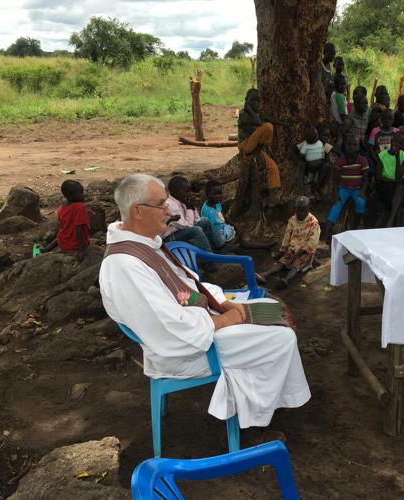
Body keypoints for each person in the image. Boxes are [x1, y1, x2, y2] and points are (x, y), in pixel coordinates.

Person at [99, 174, 310, 433]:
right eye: (161, 204)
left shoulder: (143, 244)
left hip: (196, 325)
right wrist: (224, 320)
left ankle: (261, 405)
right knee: (280, 337)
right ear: (137, 211)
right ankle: (254, 421)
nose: (167, 209)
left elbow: (185, 287)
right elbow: (165, 325)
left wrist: (221, 303)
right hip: (184, 348)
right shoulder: (124, 265)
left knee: (273, 311)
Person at [237, 89, 287, 206]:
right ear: (247, 101)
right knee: (268, 127)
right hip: (245, 146)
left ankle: (273, 197)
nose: (256, 104)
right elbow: (259, 123)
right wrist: (248, 107)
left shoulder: (258, 114)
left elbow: (270, 119)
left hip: (256, 150)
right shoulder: (244, 113)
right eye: (253, 101)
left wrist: (285, 124)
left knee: (273, 167)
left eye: (258, 101)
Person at [257, 196, 320, 289]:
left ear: (308, 210)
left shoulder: (314, 223)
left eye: (303, 211)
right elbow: (287, 237)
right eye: (299, 210)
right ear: (295, 209)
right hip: (292, 248)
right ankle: (265, 275)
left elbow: (312, 243)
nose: (301, 213)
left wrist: (300, 253)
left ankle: (286, 280)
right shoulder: (292, 220)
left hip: (305, 251)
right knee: (283, 260)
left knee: (297, 263)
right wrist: (282, 250)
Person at [322, 134, 368, 242]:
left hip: (357, 189)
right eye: (349, 144)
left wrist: (362, 192)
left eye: (354, 144)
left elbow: (365, 179)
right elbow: (336, 179)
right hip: (344, 188)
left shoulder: (362, 160)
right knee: (336, 206)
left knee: (360, 203)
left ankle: (355, 228)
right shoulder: (340, 161)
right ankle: (325, 233)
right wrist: (336, 193)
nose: (351, 147)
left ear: (358, 147)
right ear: (345, 146)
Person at [162, 176, 214, 252]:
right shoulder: (171, 206)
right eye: (187, 191)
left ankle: (212, 248)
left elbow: (196, 220)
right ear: (176, 192)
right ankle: (208, 259)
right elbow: (188, 226)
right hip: (169, 238)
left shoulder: (181, 201)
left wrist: (192, 207)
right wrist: (189, 208)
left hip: (180, 231)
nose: (189, 194)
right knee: (196, 230)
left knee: (204, 221)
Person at [43, 180, 89, 253]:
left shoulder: (61, 208)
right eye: (80, 193)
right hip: (75, 246)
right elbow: (79, 229)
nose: (83, 195)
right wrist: (82, 250)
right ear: (71, 196)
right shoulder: (80, 207)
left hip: (63, 243)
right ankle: (46, 249)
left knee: (62, 233)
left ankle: (46, 249)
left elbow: (63, 229)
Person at [376, 133, 404, 227]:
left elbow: (398, 176)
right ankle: (395, 220)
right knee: (397, 188)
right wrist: (395, 181)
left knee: (400, 188)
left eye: (401, 143)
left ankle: (390, 220)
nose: (397, 145)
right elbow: (378, 177)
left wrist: (397, 156)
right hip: (385, 183)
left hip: (399, 184)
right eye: (396, 142)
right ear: (391, 141)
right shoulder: (382, 155)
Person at [295, 125, 333, 199]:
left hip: (319, 167)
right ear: (317, 135)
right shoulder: (306, 143)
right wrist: (298, 160)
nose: (326, 138)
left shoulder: (323, 143)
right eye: (324, 135)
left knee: (327, 167)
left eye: (327, 136)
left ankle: (317, 188)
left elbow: (331, 151)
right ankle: (303, 191)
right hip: (310, 167)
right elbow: (294, 150)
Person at [201, 181, 235, 250]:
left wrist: (234, 226)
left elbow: (223, 216)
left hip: (222, 228)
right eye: (215, 194)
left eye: (220, 193)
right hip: (215, 233)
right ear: (207, 194)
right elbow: (209, 229)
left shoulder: (217, 203)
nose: (218, 196)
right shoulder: (206, 210)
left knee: (230, 230)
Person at [368, 109, 399, 173]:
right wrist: (376, 160)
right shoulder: (375, 131)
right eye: (386, 119)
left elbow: (399, 147)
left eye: (391, 119)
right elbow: (371, 147)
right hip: (378, 160)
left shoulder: (397, 131)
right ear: (381, 119)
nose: (388, 121)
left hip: (392, 160)